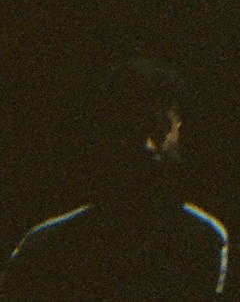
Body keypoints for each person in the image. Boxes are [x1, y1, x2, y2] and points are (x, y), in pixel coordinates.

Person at [0, 58, 228, 299]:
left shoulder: (204, 240)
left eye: (158, 128)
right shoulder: (44, 248)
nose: (147, 146)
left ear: (180, 132)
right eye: (130, 129)